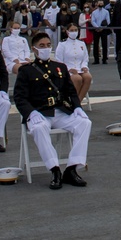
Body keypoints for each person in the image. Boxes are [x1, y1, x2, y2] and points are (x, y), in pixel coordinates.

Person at [15, 32, 91, 189]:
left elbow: (70, 92)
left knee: (84, 123)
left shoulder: (60, 67)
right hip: (40, 113)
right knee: (39, 128)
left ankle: (72, 168)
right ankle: (55, 169)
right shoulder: (26, 70)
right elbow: (19, 97)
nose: (45, 48)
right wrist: (30, 113)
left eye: (48, 45)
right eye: (41, 46)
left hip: (60, 111)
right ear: (34, 49)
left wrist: (77, 107)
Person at [55, 23, 92, 101]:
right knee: (77, 78)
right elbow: (59, 60)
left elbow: (85, 58)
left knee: (88, 77)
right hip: (68, 69)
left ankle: (78, 101)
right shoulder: (62, 44)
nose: (74, 32)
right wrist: (68, 69)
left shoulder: (81, 43)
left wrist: (84, 67)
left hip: (80, 68)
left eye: (75, 30)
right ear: (67, 32)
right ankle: (72, 101)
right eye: (71, 30)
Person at [90, 0, 111, 65]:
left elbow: (108, 21)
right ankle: (96, 59)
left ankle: (104, 59)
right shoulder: (94, 12)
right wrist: (97, 27)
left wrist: (102, 28)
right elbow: (92, 21)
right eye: (99, 3)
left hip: (104, 30)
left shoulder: (106, 12)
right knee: (96, 44)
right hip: (96, 30)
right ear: (97, 4)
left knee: (104, 44)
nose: (100, 4)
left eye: (101, 3)